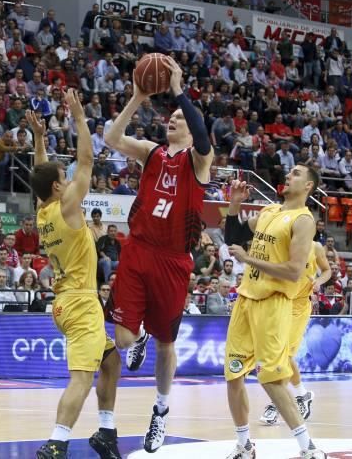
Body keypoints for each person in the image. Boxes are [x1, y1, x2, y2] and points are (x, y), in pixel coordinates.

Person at [104, 57, 212, 452]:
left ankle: (161, 412)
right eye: (172, 116)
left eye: (181, 118)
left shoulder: (199, 162)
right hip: (138, 250)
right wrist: (136, 97)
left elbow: (202, 138)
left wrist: (180, 91)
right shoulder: (151, 152)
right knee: (122, 338)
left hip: (172, 259)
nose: (174, 119)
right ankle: (139, 337)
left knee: (167, 344)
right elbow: (111, 139)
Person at [28, 88, 122, 459]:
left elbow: (42, 172)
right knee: (82, 377)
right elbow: (85, 161)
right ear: (58, 187)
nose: (69, 180)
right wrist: (80, 119)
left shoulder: (43, 209)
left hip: (69, 303)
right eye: (62, 178)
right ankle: (56, 441)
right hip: (81, 304)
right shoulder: (67, 206)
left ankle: (106, 431)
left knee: (111, 360)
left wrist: (39, 138)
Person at [223, 167, 325, 458]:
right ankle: (244, 446)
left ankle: (308, 448)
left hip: (273, 303)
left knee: (271, 378)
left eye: (295, 173)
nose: (288, 175)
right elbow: (234, 237)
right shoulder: (269, 211)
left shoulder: (303, 220)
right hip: (245, 300)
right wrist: (234, 204)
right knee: (233, 376)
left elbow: (294, 272)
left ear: (307, 186)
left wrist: (249, 258)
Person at [260, 240, 331, 426]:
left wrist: (319, 282)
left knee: (285, 354)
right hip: (279, 303)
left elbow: (327, 270)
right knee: (280, 355)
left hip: (299, 307)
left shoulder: (315, 247)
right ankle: (302, 395)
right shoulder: (283, 244)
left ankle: (276, 403)